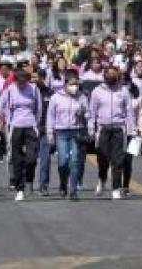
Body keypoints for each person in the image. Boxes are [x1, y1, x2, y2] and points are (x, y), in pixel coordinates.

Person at [88, 66, 134, 200]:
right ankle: (102, 180)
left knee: (118, 160)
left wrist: (131, 129)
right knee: (103, 159)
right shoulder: (97, 91)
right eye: (109, 75)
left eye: (114, 75)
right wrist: (91, 128)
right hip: (103, 128)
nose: (111, 77)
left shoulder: (123, 90)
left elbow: (129, 111)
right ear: (104, 76)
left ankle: (115, 188)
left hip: (119, 128)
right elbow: (92, 112)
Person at [0, 70, 41, 201]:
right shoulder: (10, 90)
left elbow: (38, 108)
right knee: (16, 158)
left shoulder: (33, 89)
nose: (21, 84)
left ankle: (29, 180)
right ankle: (19, 188)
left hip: (30, 125)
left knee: (31, 158)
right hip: (15, 126)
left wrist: (36, 123)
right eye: (19, 81)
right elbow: (2, 106)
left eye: (24, 81)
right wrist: (7, 120)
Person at [46, 71, 89, 201]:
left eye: (76, 84)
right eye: (71, 84)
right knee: (63, 162)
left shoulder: (82, 97)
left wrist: (83, 115)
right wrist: (50, 133)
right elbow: (50, 116)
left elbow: (89, 114)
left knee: (75, 161)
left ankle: (73, 190)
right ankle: (63, 184)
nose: (74, 87)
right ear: (65, 84)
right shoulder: (55, 97)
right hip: (61, 131)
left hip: (76, 131)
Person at [34, 71, 54, 196]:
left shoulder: (50, 93)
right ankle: (26, 182)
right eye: (31, 77)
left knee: (45, 158)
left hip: (45, 128)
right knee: (29, 158)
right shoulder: (27, 92)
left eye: (35, 77)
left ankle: (43, 185)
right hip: (29, 128)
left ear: (42, 78)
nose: (33, 79)